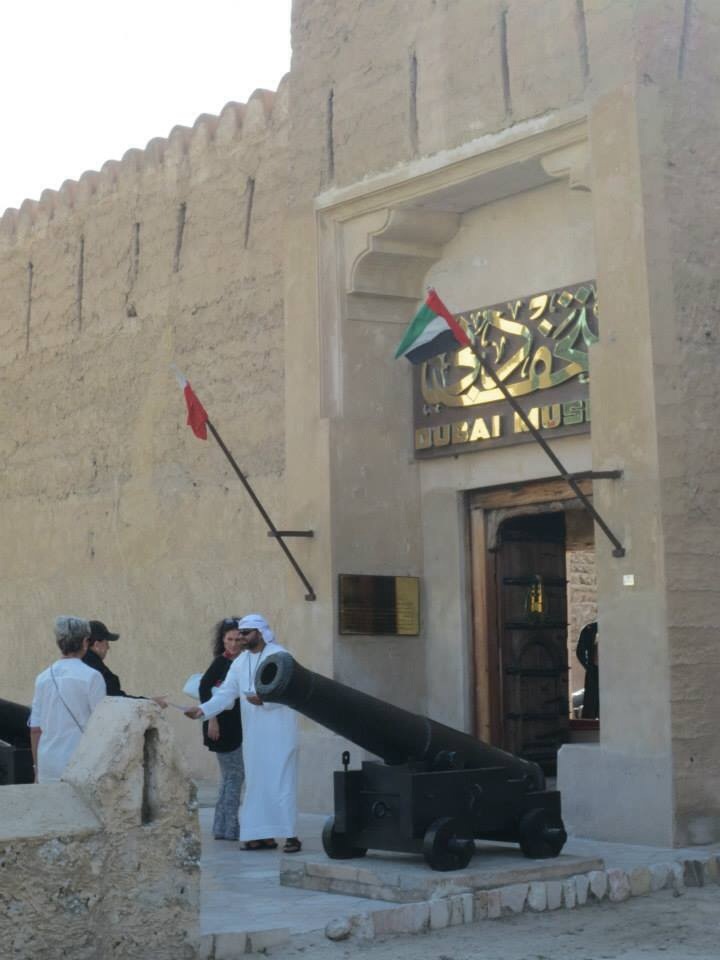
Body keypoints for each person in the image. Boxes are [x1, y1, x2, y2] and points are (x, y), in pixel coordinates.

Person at [185, 613, 301, 853]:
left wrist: (265, 700)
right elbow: (226, 694)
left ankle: (291, 836)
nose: (241, 638)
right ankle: (260, 835)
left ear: (260, 633)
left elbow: (291, 689)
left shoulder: (281, 657)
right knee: (257, 784)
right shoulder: (240, 663)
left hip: (279, 733)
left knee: (281, 783)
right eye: (240, 634)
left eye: (246, 634)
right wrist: (203, 710)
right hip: (254, 735)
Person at [29, 616, 107, 783]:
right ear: (85, 642)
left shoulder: (42, 678)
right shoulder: (92, 677)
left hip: (47, 764)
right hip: (80, 762)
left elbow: (35, 729)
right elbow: (100, 725)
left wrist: (37, 769)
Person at [200, 618, 246, 841]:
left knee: (229, 777)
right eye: (229, 639)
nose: (234, 644)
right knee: (235, 776)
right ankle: (230, 827)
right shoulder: (222, 663)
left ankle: (221, 826)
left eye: (238, 639)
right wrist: (212, 719)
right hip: (224, 729)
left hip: (235, 727)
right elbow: (204, 689)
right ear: (222, 640)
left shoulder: (240, 662)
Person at [83, 619, 167, 705]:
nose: (108, 647)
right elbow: (115, 700)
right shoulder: (97, 670)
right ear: (97, 645)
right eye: (106, 643)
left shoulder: (80, 664)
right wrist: (148, 703)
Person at [576, 620, 599, 719]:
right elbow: (580, 652)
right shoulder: (590, 629)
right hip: (594, 672)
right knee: (591, 702)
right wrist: (589, 668)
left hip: (604, 673)